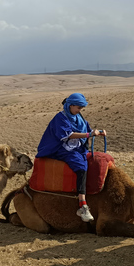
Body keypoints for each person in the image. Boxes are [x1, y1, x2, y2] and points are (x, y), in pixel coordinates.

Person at [36, 93, 106, 223]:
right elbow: (67, 135)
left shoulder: (78, 117)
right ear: (70, 105)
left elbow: (87, 129)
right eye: (78, 107)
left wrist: (99, 132)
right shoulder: (60, 118)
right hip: (62, 149)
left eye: (81, 108)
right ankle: (82, 205)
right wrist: (88, 134)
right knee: (81, 168)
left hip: (77, 147)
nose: (80, 110)